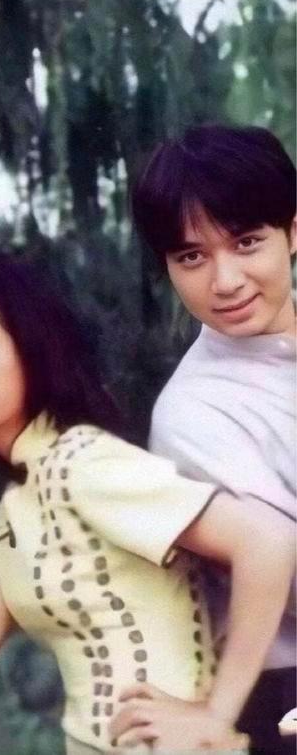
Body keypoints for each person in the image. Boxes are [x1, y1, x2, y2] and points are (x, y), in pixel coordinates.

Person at [0, 254, 294, 753]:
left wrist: (216, 714)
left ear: (32, 352)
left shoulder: (83, 462)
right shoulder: (23, 501)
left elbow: (268, 543)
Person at [126, 124, 296, 753]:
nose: (225, 281)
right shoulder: (193, 415)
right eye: (192, 257)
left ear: (293, 232)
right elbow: (282, 566)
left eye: (246, 242)